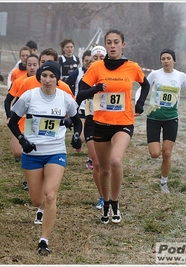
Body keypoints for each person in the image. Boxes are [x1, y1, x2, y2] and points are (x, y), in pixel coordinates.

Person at [7, 60, 82, 255]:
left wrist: (75, 135)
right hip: (32, 153)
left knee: (50, 195)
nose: (47, 80)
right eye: (44, 76)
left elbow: (77, 122)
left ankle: (44, 239)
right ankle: (40, 208)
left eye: (52, 76)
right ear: (39, 76)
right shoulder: (29, 97)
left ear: (58, 79)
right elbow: (13, 123)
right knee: (36, 199)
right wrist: (23, 140)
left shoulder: (65, 98)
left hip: (56, 151)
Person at [79, 29, 150, 224]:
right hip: (101, 123)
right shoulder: (96, 68)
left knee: (116, 161)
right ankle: (106, 202)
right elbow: (81, 93)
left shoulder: (131, 67)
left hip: (124, 123)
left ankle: (116, 202)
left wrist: (140, 103)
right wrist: (95, 89)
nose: (112, 45)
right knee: (103, 169)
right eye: (109, 42)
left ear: (123, 45)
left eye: (116, 42)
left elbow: (145, 85)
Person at [135, 48, 186, 194]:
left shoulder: (181, 76)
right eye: (163, 58)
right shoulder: (155, 74)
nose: (166, 61)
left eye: (168, 58)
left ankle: (164, 182)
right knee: (155, 154)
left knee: (167, 152)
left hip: (171, 119)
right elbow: (141, 88)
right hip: (153, 118)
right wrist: (138, 101)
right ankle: (162, 175)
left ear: (173, 60)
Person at [14, 48, 75, 193]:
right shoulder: (27, 82)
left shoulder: (64, 88)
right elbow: (17, 103)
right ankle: (31, 175)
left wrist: (69, 122)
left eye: (51, 63)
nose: (47, 79)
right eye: (43, 62)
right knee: (20, 153)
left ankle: (46, 174)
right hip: (31, 126)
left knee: (49, 192)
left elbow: (72, 113)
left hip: (54, 139)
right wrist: (24, 138)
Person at [76, 45, 107, 210]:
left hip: (110, 122)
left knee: (108, 163)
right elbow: (79, 95)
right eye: (95, 58)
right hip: (91, 120)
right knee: (96, 162)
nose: (98, 61)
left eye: (102, 58)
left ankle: (110, 195)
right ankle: (102, 197)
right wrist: (95, 89)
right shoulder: (88, 77)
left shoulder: (113, 76)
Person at [4, 54, 40, 165]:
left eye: (35, 65)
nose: (32, 67)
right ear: (26, 65)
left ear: (39, 65)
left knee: (28, 149)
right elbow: (8, 100)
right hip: (19, 119)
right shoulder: (19, 81)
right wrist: (9, 116)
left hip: (31, 120)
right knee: (17, 153)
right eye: (29, 65)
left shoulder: (43, 82)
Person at [65, 50, 92, 158]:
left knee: (91, 135)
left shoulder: (100, 73)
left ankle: (92, 158)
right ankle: (78, 140)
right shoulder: (77, 73)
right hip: (80, 105)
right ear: (82, 61)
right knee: (82, 137)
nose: (89, 63)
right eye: (86, 61)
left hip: (93, 107)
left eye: (91, 61)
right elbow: (67, 87)